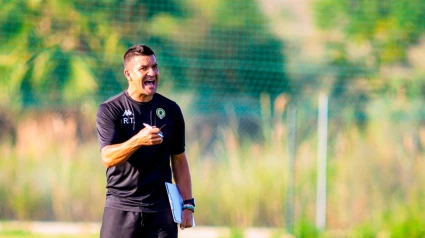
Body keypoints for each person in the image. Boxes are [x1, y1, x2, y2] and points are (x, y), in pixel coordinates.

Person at [96, 44, 195, 238]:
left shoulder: (171, 110)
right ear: (128, 74)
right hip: (121, 209)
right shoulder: (110, 110)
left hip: (161, 213)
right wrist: (138, 140)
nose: (152, 73)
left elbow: (179, 160)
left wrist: (188, 205)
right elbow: (107, 157)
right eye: (143, 68)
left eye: (155, 67)